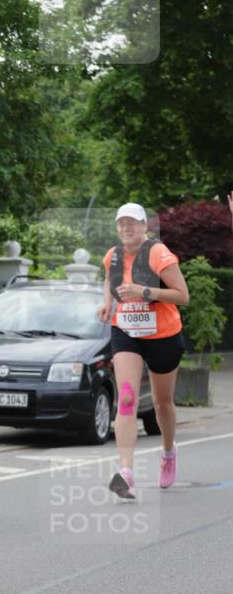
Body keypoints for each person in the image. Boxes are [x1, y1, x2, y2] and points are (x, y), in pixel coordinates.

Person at [97, 203, 190, 498]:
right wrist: (107, 303)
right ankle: (126, 472)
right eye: (121, 223)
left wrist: (144, 291)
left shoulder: (158, 253)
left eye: (132, 223)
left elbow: (182, 296)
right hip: (126, 331)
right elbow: (109, 279)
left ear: (144, 226)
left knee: (163, 404)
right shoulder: (112, 255)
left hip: (163, 334)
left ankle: (168, 452)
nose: (126, 228)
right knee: (126, 397)